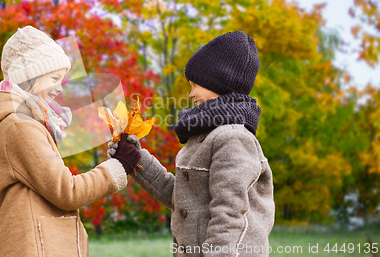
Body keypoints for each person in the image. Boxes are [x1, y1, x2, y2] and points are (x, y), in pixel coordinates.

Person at [0, 25, 141, 257]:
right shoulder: (19, 126)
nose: (60, 88)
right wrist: (118, 166)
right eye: (54, 78)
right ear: (30, 76)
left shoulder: (22, 122)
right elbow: (67, 192)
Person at [109, 31, 275, 257]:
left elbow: (229, 214)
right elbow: (182, 198)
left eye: (196, 85)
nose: (191, 94)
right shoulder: (204, 137)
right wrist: (136, 160)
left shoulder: (233, 138)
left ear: (220, 82)